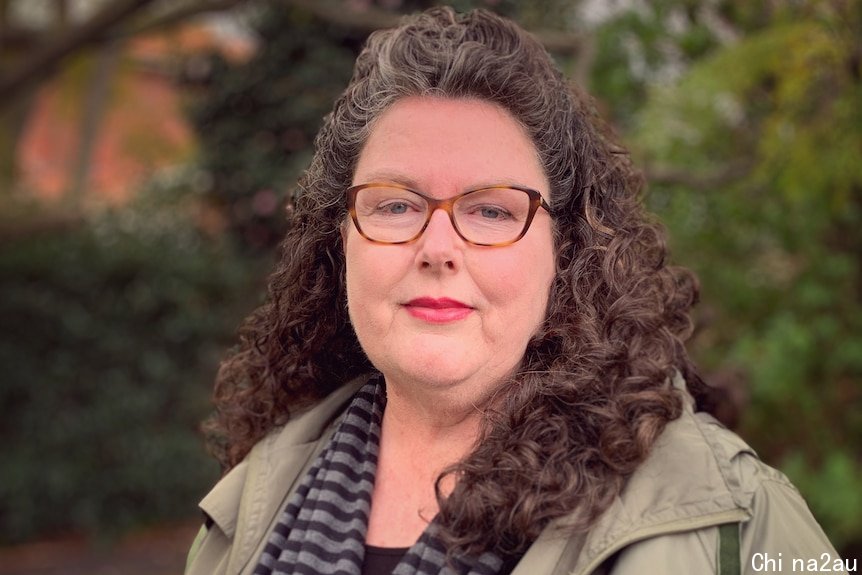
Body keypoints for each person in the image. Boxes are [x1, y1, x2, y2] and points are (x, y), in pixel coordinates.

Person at [185, 7, 845, 575]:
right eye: (394, 205)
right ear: (342, 238)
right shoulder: (250, 506)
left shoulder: (731, 514)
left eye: (492, 211)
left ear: (566, 249)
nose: (437, 248)